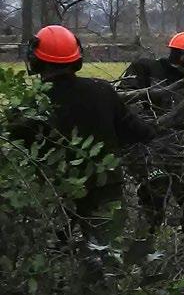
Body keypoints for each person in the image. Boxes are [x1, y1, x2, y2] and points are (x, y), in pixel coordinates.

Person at [8, 25, 156, 286]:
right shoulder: (102, 91)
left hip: (53, 197)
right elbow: (137, 131)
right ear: (76, 58)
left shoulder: (30, 105)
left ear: (35, 60)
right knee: (107, 262)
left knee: (47, 263)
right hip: (105, 190)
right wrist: (158, 125)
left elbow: (14, 146)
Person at [117, 31, 184, 264]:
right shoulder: (144, 68)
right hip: (140, 150)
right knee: (155, 196)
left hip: (172, 154)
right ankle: (138, 261)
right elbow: (123, 100)